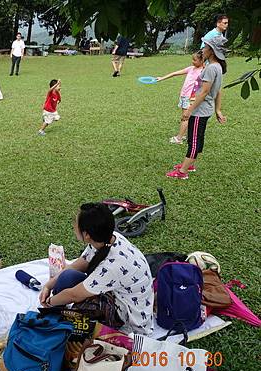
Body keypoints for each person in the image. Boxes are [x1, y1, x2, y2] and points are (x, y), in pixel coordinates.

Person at [39, 203, 154, 335]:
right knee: (68, 276)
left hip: (125, 313)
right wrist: (49, 285)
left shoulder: (113, 265)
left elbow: (74, 295)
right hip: (114, 293)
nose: (73, 225)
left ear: (87, 235)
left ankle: (55, 312)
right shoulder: (108, 238)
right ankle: (57, 308)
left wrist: (49, 303)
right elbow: (81, 263)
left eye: (75, 223)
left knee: (76, 317)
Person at [167, 35, 227, 179]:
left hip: (200, 110)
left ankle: (182, 172)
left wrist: (189, 109)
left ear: (211, 51)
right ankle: (189, 164)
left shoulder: (211, 68)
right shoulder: (218, 67)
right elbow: (218, 90)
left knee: (194, 140)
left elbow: (204, 92)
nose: (203, 50)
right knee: (197, 138)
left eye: (205, 47)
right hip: (206, 110)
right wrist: (217, 110)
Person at [156, 51, 205, 145]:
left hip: (191, 98)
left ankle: (179, 138)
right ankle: (186, 136)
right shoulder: (191, 69)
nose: (192, 61)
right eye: (192, 59)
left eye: (195, 60)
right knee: (186, 117)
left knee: (185, 117)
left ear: (202, 60)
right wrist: (162, 78)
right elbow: (175, 73)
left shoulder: (203, 71)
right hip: (184, 96)